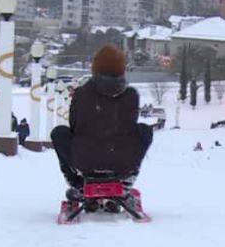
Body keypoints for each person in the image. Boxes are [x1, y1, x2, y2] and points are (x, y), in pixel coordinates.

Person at [50, 45, 153, 202]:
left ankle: (78, 185)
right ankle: (126, 182)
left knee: (59, 133)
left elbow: (74, 126)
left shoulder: (81, 94)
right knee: (145, 130)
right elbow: (130, 126)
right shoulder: (131, 95)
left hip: (85, 161)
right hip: (123, 162)